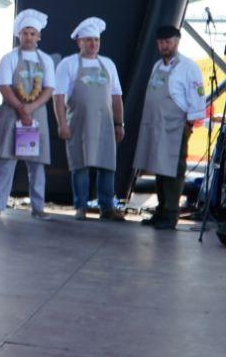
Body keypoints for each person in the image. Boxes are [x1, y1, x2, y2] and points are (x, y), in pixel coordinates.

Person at [133, 25, 205, 229]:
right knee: (159, 167)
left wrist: (189, 124)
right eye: (161, 42)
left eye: (168, 41)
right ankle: (161, 210)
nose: (165, 45)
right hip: (156, 125)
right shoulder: (157, 66)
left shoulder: (188, 67)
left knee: (174, 168)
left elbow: (197, 97)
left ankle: (171, 214)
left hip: (176, 125)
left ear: (177, 41)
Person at [53, 17, 125, 221]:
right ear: (79, 42)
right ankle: (81, 206)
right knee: (80, 165)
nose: (93, 44)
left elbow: (117, 97)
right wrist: (62, 124)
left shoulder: (108, 64)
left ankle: (106, 208)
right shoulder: (68, 64)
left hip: (105, 124)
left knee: (107, 164)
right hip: (78, 123)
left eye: (96, 40)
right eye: (88, 40)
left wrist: (120, 123)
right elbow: (58, 98)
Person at [0, 9, 55, 221]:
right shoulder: (8, 59)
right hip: (11, 115)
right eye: (25, 32)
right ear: (19, 35)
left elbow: (48, 89)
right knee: (6, 161)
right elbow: (5, 87)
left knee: (37, 164)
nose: (28, 37)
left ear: (39, 36)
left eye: (32, 33)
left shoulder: (46, 60)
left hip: (36, 116)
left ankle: (38, 207)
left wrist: (31, 107)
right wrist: (20, 107)